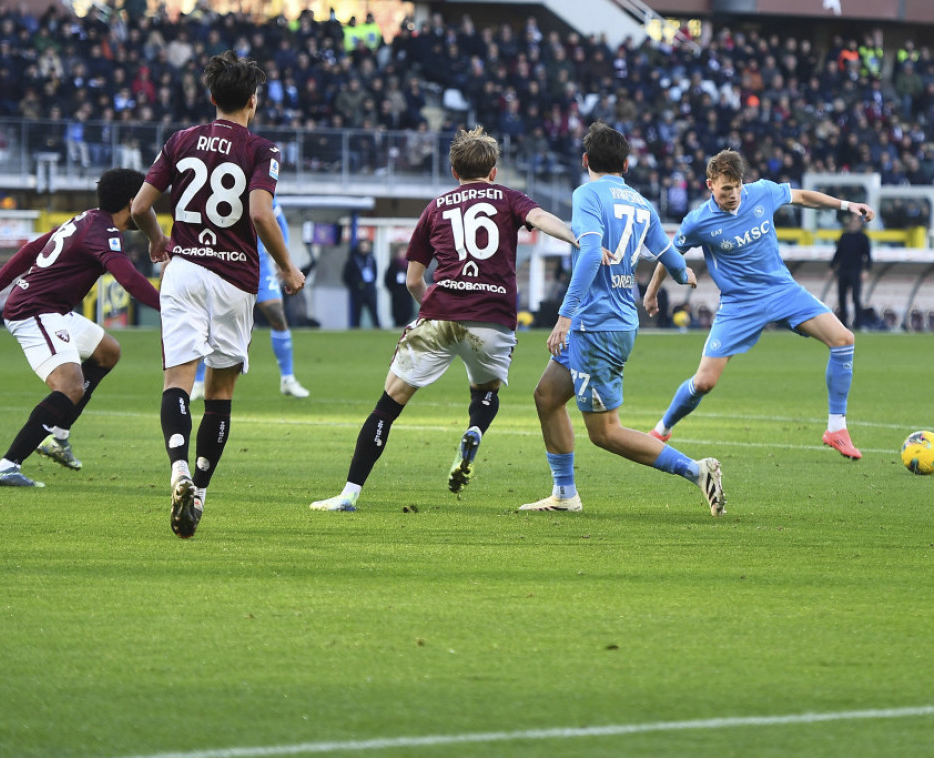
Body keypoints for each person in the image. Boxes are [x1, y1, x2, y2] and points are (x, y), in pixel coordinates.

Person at [310, 126, 578, 512]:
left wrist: (432, 309)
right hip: (494, 318)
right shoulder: (508, 198)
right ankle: (474, 429)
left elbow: (413, 279)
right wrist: (574, 238)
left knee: (388, 404)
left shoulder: (436, 207)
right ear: (494, 171)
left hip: (442, 311)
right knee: (485, 392)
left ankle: (348, 494)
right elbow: (538, 218)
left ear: (454, 171)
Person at [131, 51, 305, 539]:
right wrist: (288, 268)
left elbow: (142, 204)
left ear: (211, 99)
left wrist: (155, 240)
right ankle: (201, 492)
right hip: (234, 279)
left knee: (177, 380)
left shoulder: (180, 140)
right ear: (253, 101)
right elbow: (260, 213)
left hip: (184, 271)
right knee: (220, 392)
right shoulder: (260, 149)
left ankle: (177, 469)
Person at [519, 122, 723, 516]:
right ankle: (564, 494)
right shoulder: (641, 202)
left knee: (605, 432)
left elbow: (592, 254)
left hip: (597, 325)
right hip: (603, 322)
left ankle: (697, 470)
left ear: (585, 160)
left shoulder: (587, 194)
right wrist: (685, 276)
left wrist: (563, 316)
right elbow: (670, 255)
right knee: (546, 396)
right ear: (626, 164)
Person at [642, 148, 875, 460]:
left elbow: (803, 197)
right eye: (727, 189)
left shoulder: (761, 192)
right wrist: (653, 291)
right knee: (704, 382)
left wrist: (848, 205)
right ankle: (662, 428)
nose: (735, 194)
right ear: (710, 185)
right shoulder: (698, 222)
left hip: (782, 290)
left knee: (844, 340)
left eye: (738, 185)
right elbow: (671, 254)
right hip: (739, 305)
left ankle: (836, 428)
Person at [0, 168, 162, 487]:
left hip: (53, 310)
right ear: (133, 201)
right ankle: (7, 466)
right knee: (70, 386)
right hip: (33, 311)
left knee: (107, 353)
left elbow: (29, 251)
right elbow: (130, 279)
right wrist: (172, 309)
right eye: (147, 200)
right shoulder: (103, 233)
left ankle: (58, 437)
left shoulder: (88, 219)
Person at [191, 196, 310, 400]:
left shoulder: (261, 187)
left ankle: (288, 379)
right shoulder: (221, 186)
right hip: (227, 262)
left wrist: (284, 261)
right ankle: (199, 381)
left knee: (277, 315)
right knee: (213, 321)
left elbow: (279, 221)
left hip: (259, 264)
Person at [830, 213, 872, 330]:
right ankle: (843, 322)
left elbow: (867, 256)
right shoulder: (844, 236)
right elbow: (838, 253)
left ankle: (858, 323)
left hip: (856, 270)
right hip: (843, 270)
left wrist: (866, 270)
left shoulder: (863, 238)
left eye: (855, 222)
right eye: (851, 222)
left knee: (855, 297)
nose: (853, 224)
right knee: (841, 297)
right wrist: (832, 267)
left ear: (859, 224)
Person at [342, 237, 380, 328]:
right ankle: (356, 328)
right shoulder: (353, 260)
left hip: (369, 289)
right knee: (357, 312)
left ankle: (378, 328)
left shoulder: (371, 259)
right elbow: (346, 276)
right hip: (357, 289)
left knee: (374, 311)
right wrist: (354, 285)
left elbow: (375, 273)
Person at [384, 242, 416, 326]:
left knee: (407, 312)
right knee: (397, 312)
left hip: (407, 293)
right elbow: (388, 280)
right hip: (397, 294)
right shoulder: (393, 265)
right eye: (401, 251)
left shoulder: (410, 265)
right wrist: (393, 290)